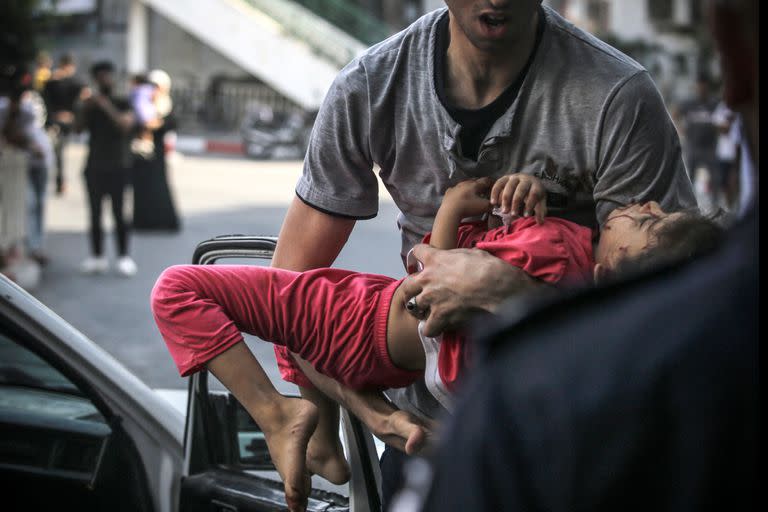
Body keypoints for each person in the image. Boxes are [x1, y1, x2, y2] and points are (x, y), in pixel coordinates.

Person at [266, 1, 696, 506]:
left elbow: (672, 322)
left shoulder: (616, 96)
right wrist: (369, 410)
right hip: (423, 439)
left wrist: (515, 294)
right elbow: (285, 295)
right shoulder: (370, 86)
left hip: (570, 444)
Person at [151, 174, 719, 512]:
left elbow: (433, 275)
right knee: (290, 305)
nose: (645, 203)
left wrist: (450, 208)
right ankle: (323, 436)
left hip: (363, 316)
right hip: (380, 344)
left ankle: (278, 416)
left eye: (649, 221)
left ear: (610, 271)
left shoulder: (556, 247)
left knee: (180, 289)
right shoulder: (571, 302)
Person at [414, 0, 758, 509]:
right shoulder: (371, 82)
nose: (647, 206)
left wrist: (514, 299)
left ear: (731, 51)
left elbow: (649, 303)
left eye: (649, 217)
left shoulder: (536, 400)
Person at [75, 61, 138, 277]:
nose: (105, 79)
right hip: (94, 166)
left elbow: (125, 125)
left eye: (107, 75)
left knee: (120, 214)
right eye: (100, 76)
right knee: (94, 214)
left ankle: (123, 257)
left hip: (119, 166)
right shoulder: (89, 104)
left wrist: (105, 105)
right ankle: (97, 256)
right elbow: (77, 128)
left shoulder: (122, 101)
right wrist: (86, 107)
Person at [0, 67, 55, 265]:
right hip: (18, 163)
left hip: (41, 159)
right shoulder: (5, 107)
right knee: (28, 204)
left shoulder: (32, 102)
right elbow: (10, 134)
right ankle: (26, 246)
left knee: (39, 203)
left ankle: (36, 245)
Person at [131, 69, 181, 232]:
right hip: (142, 152)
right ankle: (143, 221)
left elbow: (169, 124)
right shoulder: (143, 101)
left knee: (159, 186)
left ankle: (163, 221)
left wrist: (156, 124)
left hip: (157, 152)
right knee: (142, 187)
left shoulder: (166, 104)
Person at [43, 53, 86, 195]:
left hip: (57, 120)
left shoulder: (52, 82)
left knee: (59, 152)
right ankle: (60, 180)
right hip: (66, 120)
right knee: (59, 151)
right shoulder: (74, 82)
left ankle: (60, 180)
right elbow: (85, 95)